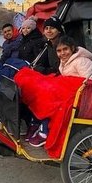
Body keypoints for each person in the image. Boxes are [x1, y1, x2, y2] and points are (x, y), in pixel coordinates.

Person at [27, 15, 64, 147]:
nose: (48, 30)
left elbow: (59, 68)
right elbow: (44, 63)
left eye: (52, 28)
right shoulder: (49, 44)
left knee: (43, 92)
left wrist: (40, 69)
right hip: (54, 76)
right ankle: (35, 121)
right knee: (30, 86)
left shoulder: (62, 44)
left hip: (63, 79)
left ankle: (44, 128)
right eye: (46, 28)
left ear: (59, 30)